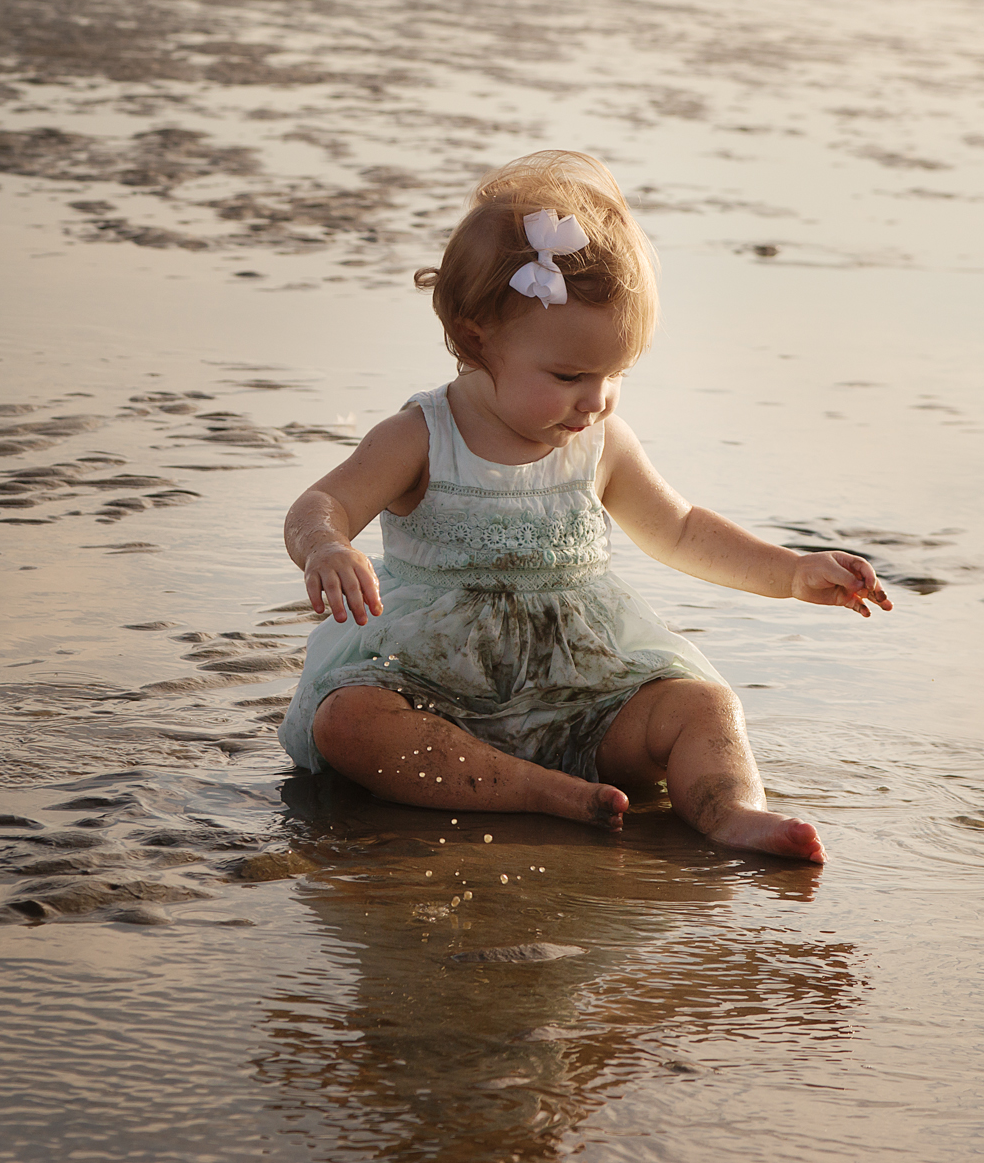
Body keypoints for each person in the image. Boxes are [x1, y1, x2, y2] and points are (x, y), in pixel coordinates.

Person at [276, 150, 891, 863]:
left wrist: (790, 572)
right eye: (569, 375)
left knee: (702, 706)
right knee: (347, 723)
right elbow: (322, 501)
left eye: (614, 374)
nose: (595, 398)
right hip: (433, 691)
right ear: (476, 338)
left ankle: (732, 812)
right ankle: (537, 791)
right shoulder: (422, 436)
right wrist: (326, 545)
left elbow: (684, 531)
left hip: (586, 696)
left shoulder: (600, 443)